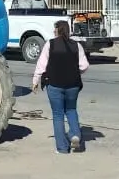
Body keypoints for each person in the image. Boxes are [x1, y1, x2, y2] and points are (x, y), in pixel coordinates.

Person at [31, 20, 89, 154]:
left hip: (54, 84)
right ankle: (75, 134)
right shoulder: (76, 45)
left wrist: (35, 81)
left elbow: (41, 65)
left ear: (57, 30)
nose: (53, 32)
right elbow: (84, 66)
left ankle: (62, 148)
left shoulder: (50, 45)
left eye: (54, 29)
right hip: (73, 85)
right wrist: (75, 71)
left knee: (58, 115)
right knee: (71, 110)